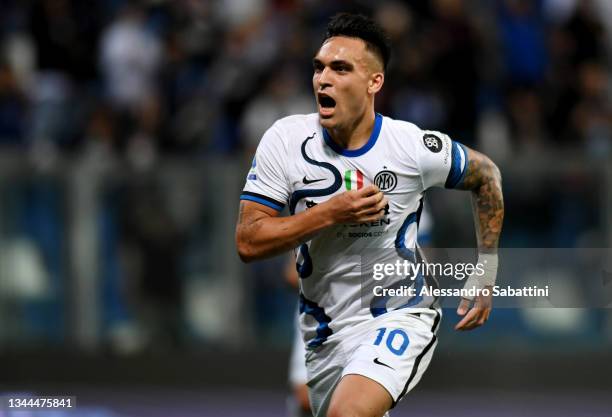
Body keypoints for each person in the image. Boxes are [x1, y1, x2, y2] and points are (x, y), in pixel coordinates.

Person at [236, 13, 504, 417]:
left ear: (373, 82)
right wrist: (329, 214)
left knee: (349, 413)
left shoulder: (410, 147)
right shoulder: (284, 141)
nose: (323, 79)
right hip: (324, 331)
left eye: (340, 68)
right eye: (319, 67)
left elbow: (487, 175)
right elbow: (248, 240)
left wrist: (486, 269)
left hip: (400, 314)